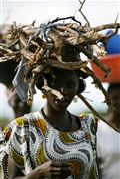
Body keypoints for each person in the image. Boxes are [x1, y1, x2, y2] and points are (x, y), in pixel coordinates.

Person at [0, 18, 118, 179]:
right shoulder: (22, 128)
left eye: (70, 85)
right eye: (55, 83)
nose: (63, 92)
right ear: (42, 84)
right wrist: (37, 174)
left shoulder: (89, 126)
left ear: (79, 88)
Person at [97, 83, 120, 179]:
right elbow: (95, 167)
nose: (119, 102)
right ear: (107, 100)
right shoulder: (98, 130)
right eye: (115, 98)